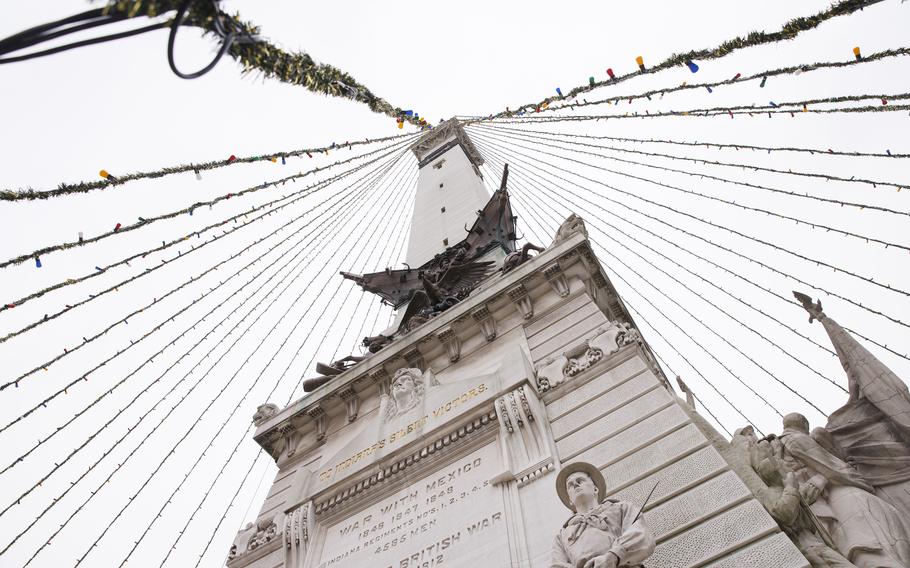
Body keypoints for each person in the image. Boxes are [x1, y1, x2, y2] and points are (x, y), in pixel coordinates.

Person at [551, 462, 655, 568]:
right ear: (570, 500)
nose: (575, 484)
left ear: (595, 489)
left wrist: (613, 556)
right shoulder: (562, 536)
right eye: (570, 485)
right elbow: (557, 565)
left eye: (580, 480)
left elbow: (641, 535)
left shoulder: (620, 508)